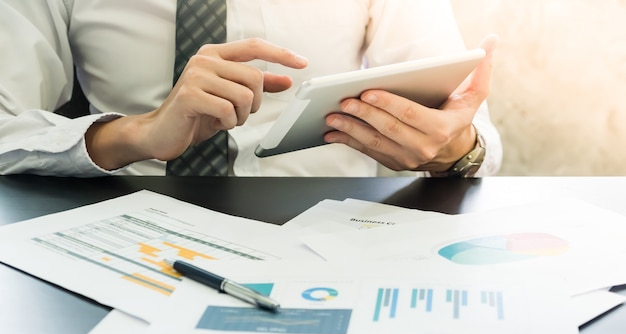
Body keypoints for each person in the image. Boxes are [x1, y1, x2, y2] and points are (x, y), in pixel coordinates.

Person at [0, 0, 502, 177]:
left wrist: (455, 149)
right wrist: (137, 135)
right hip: (126, 231)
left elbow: (462, 128)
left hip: (334, 235)